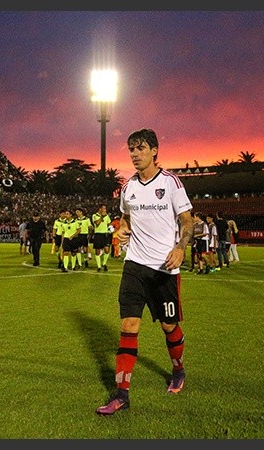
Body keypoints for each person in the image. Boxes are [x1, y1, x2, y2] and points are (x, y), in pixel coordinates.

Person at [96, 128, 194, 416]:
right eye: (131, 150)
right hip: (134, 266)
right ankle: (122, 394)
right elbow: (126, 217)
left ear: (154, 150)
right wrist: (124, 228)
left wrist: (181, 247)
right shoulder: (128, 188)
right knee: (129, 326)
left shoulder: (171, 183)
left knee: (168, 326)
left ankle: (178, 370)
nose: (134, 154)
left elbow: (187, 221)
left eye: (139, 148)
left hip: (164, 268)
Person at [91, 203, 112, 272]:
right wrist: (102, 217)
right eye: (103, 208)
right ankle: (99, 266)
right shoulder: (94, 215)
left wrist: (110, 229)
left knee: (107, 250)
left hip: (105, 235)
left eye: (105, 209)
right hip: (98, 234)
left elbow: (109, 224)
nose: (104, 210)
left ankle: (104, 264)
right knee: (97, 251)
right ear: (100, 209)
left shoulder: (107, 216)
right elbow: (97, 223)